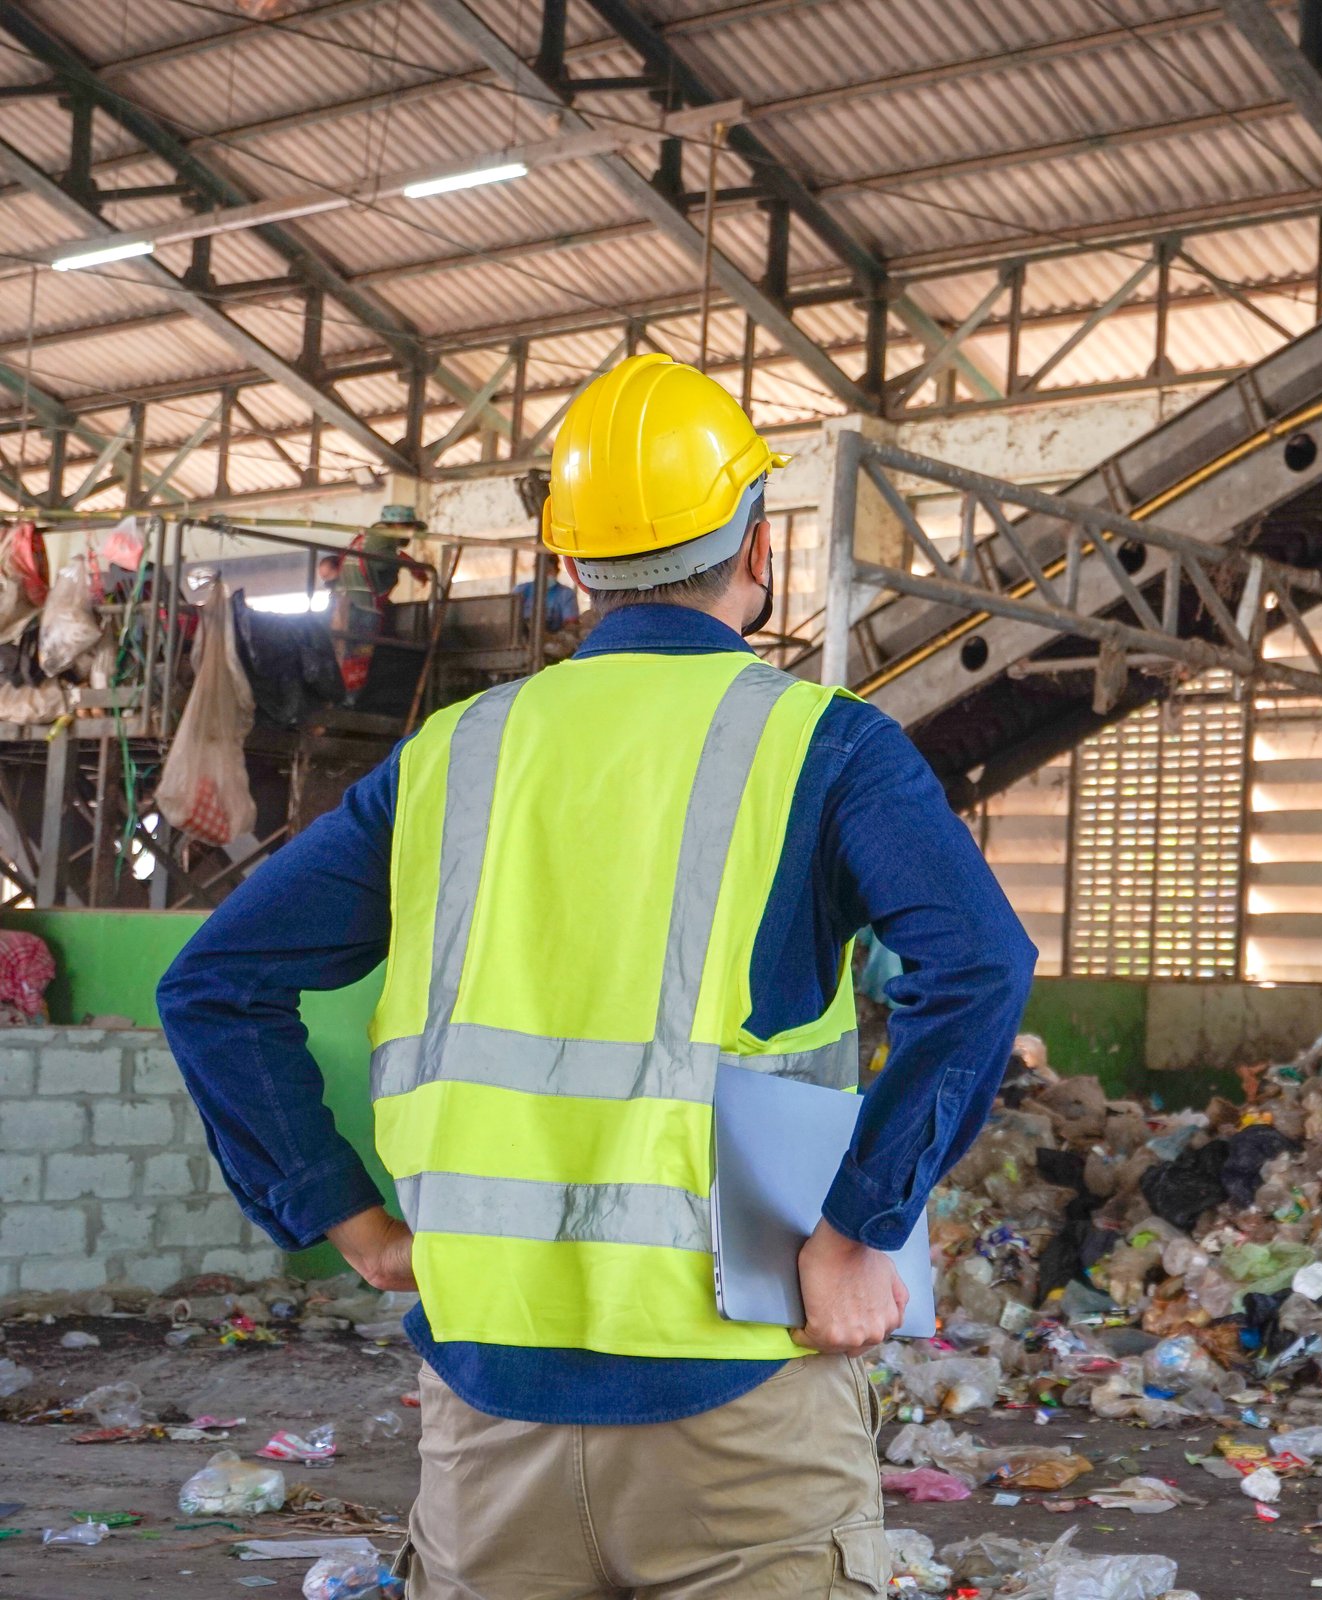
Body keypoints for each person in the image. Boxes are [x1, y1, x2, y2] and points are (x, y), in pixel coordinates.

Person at [157, 352, 1036, 1599]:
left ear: (567, 567)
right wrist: (857, 1230)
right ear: (762, 549)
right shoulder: (826, 747)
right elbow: (983, 967)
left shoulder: (448, 761)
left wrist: (345, 1219)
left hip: (486, 1421)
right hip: (743, 1410)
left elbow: (213, 984)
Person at [513, 548, 581, 633]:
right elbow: (509, 617)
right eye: (542, 571)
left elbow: (571, 624)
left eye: (549, 571)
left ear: (557, 571)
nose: (545, 575)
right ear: (535, 570)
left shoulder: (566, 594)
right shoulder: (521, 590)